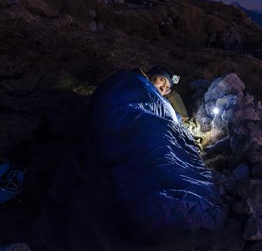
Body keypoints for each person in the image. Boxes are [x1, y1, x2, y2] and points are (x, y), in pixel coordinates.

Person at [30, 65, 224, 250]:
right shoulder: (130, 81)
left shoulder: (163, 101)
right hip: (136, 121)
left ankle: (175, 198)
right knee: (147, 144)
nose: (164, 88)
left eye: (167, 88)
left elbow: (171, 123)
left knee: (167, 148)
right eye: (162, 81)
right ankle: (163, 201)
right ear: (150, 76)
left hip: (159, 128)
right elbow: (116, 101)